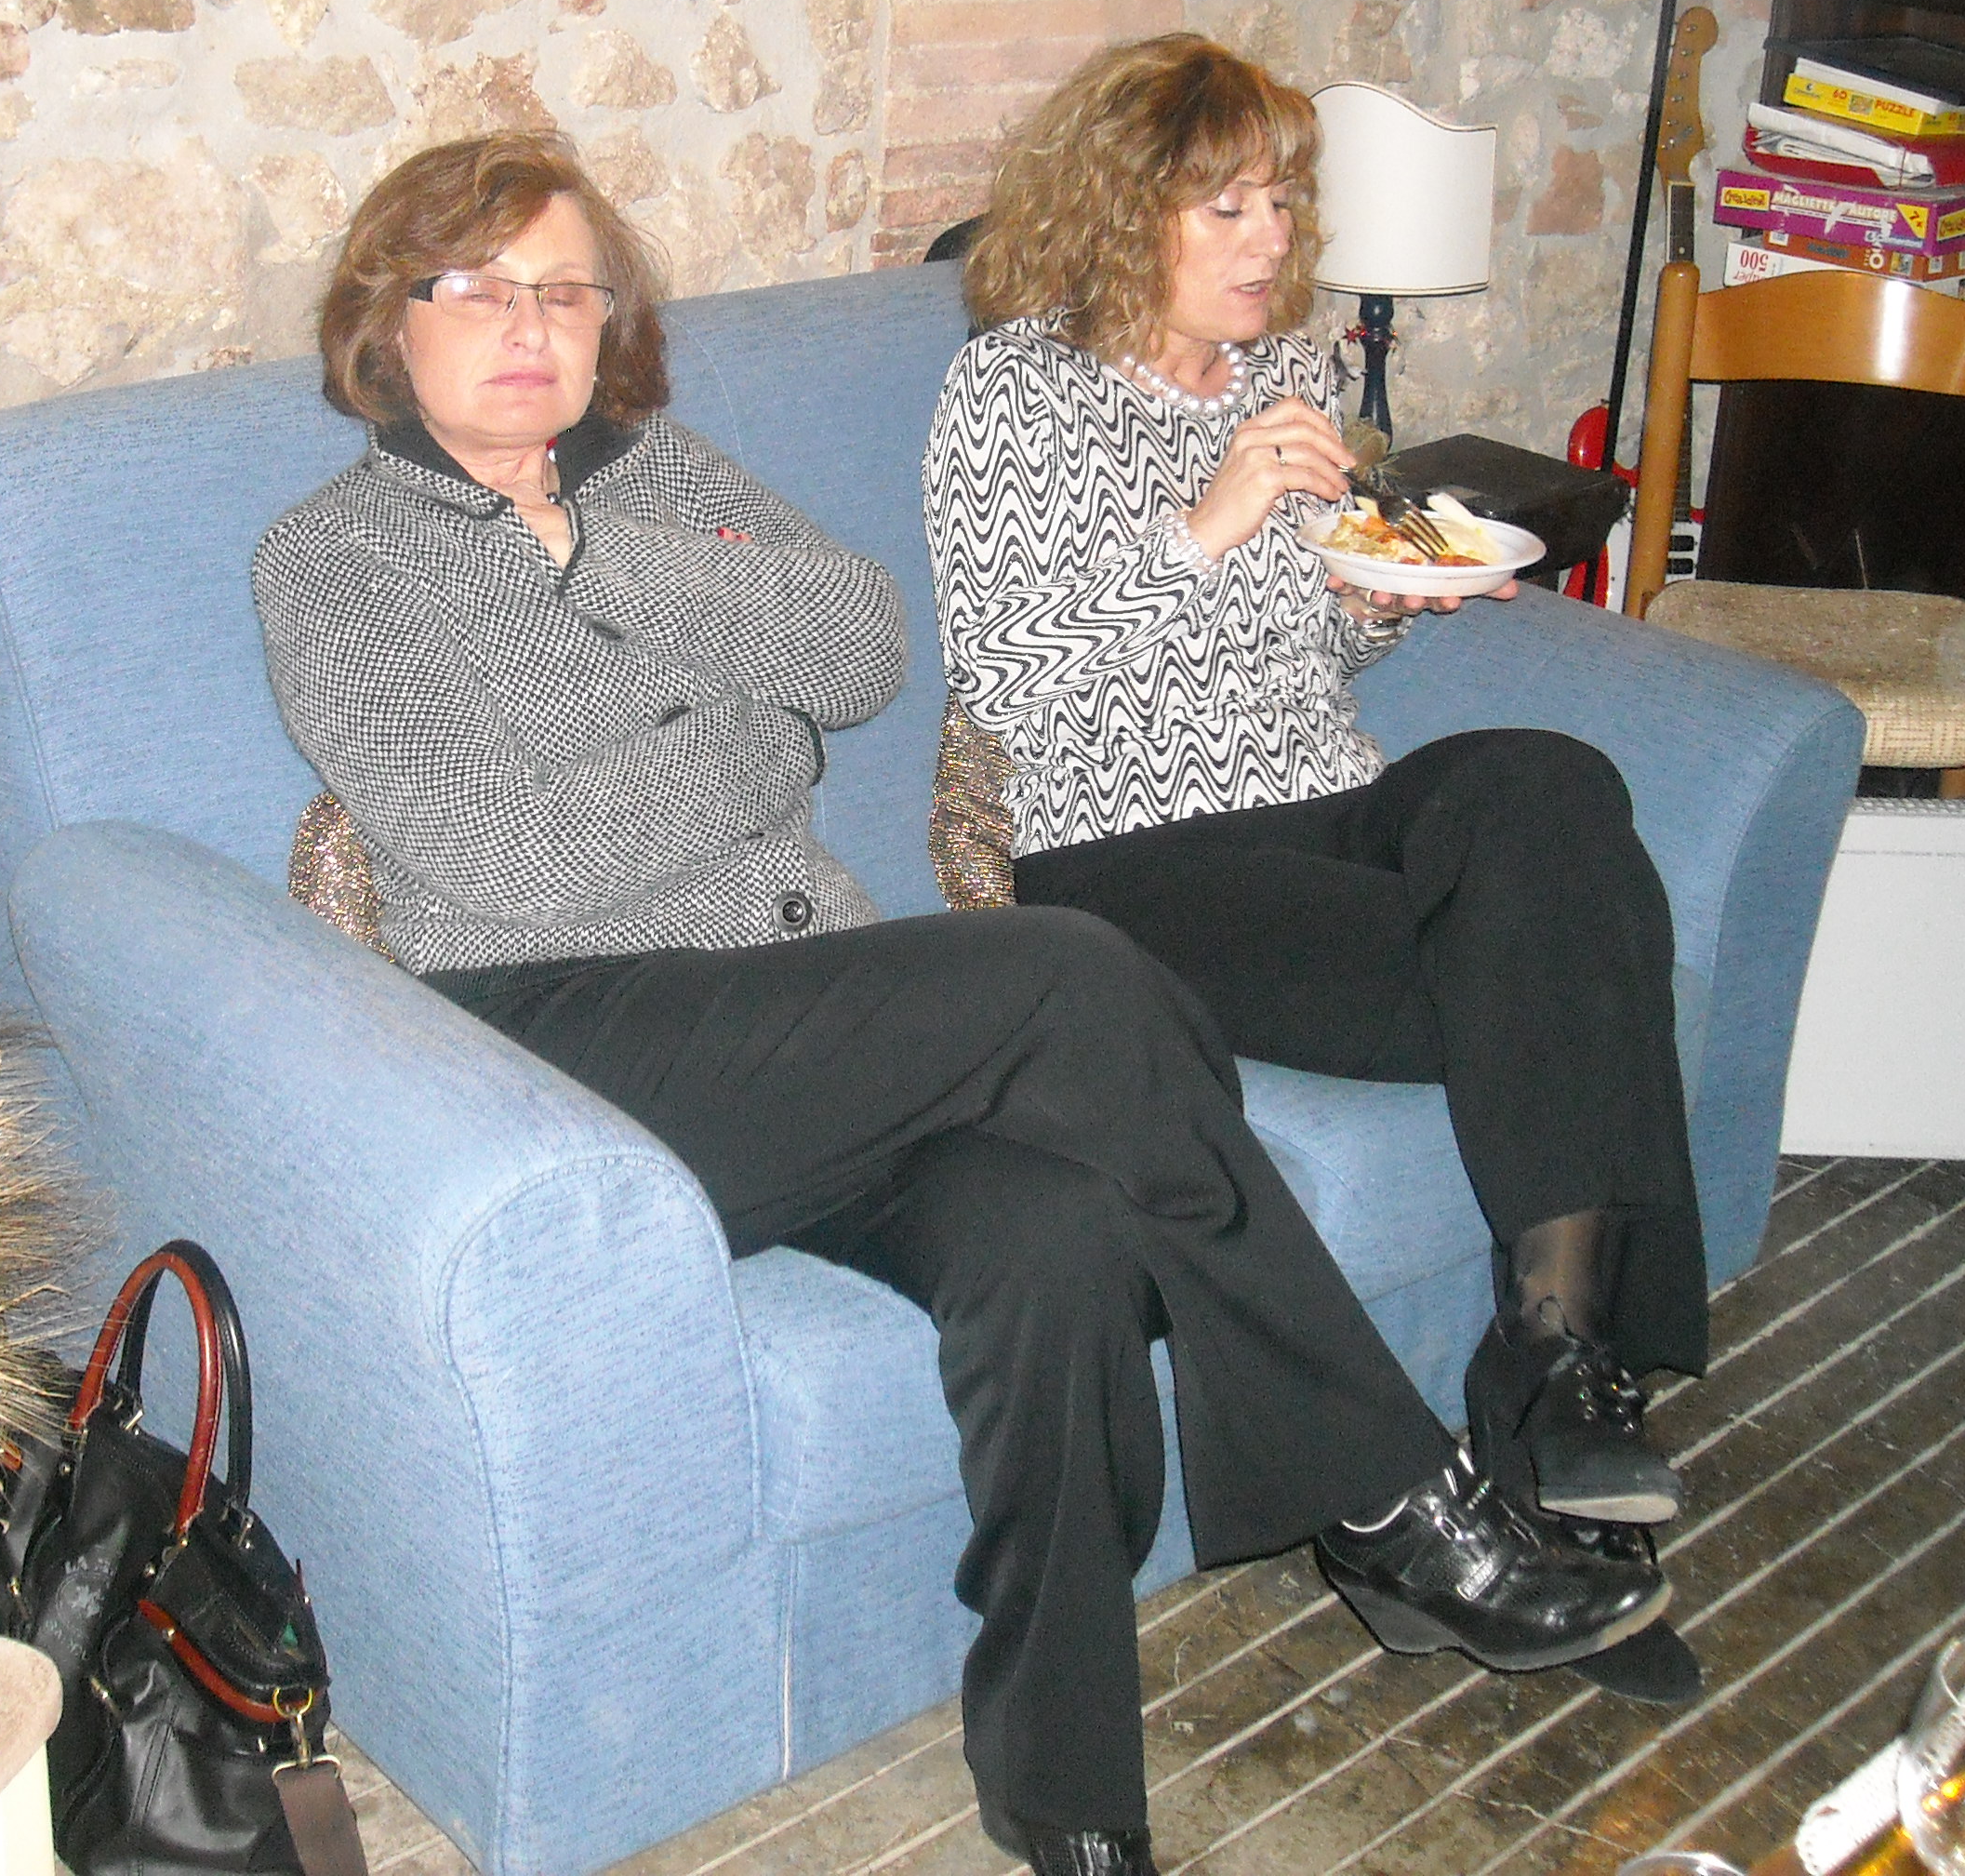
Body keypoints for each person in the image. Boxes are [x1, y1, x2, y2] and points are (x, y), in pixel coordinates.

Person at [254, 132, 1669, 1876]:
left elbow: (857, 650)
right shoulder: (332, 559)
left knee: (1052, 1235)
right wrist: (741, 735)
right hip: (571, 1044)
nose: (529, 326)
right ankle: (1383, 1493)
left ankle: (1070, 1801)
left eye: (566, 289)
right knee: (1070, 973)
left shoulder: (660, 472)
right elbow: (502, 850)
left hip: (803, 1026)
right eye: (474, 290)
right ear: (386, 322)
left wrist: (616, 556)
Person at [922, 34, 1713, 1684]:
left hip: (1324, 803)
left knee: (1549, 787)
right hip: (1129, 854)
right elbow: (1009, 678)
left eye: (1281, 200)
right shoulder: (1012, 392)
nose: (1272, 238)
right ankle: (1554, 1462)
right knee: (1569, 962)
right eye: (1225, 206)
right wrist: (1203, 527)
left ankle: (1557, 1361)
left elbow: (1306, 657)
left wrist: (1374, 601)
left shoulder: (1289, 384)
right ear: (1117, 211)